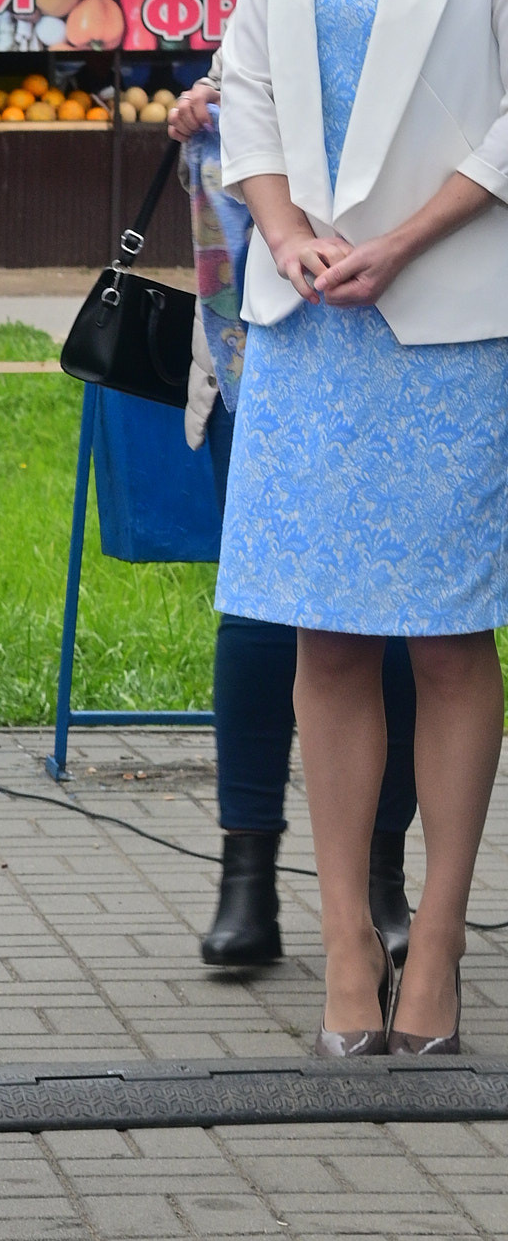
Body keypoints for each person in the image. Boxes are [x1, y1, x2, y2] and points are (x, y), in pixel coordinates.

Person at [217, 0, 508, 1058]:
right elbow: (248, 74)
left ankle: (438, 943)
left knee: (451, 641)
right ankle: (344, 944)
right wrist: (282, 227)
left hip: (448, 315)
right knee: (323, 636)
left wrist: (400, 238)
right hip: (309, 311)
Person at [167, 69, 418, 971]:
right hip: (266, 322)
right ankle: (248, 881)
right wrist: (209, 103)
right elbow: (251, 74)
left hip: (415, 305)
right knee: (264, 611)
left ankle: (380, 881)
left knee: (395, 610)